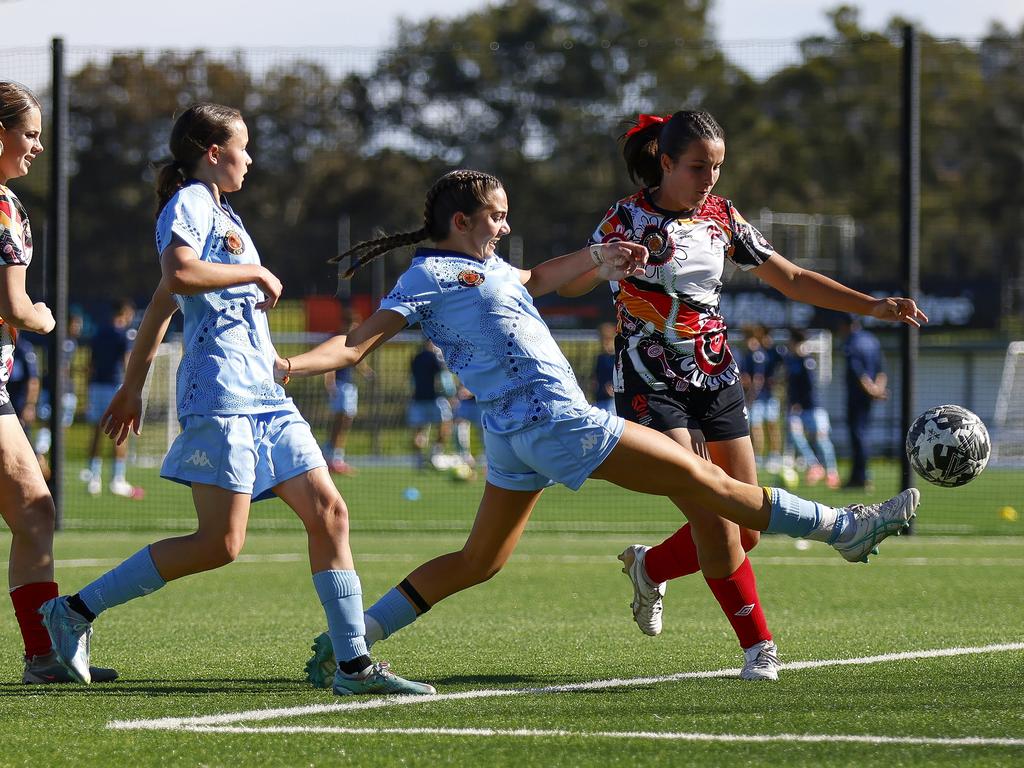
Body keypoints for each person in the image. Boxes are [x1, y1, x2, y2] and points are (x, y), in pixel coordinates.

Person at [278, 169, 922, 688]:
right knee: (706, 483)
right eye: (497, 216)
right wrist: (290, 365)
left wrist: (601, 256)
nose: (505, 225)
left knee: (479, 560)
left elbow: (541, 277)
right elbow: (356, 345)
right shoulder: (429, 274)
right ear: (461, 221)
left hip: (513, 435)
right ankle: (844, 528)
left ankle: (353, 640)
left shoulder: (497, 270)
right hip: (553, 421)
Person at [39, 103, 433, 696]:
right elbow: (177, 274)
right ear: (213, 152)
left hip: (266, 393)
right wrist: (254, 272)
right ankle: (73, 611)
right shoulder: (193, 199)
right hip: (220, 391)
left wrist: (130, 385)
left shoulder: (222, 213)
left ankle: (353, 665)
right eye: (242, 148)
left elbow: (158, 306)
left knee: (330, 513)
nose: (250, 159)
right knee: (219, 545)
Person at [559, 110, 928, 679]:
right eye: (697, 166)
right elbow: (575, 280)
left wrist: (873, 305)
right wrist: (601, 262)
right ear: (664, 161)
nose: (710, 178)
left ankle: (649, 565)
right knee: (714, 515)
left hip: (717, 377)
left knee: (746, 529)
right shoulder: (625, 218)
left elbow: (793, 278)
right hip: (650, 384)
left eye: (717, 167)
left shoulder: (721, 216)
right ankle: (759, 648)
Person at [0, 81, 117, 684]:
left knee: (33, 512)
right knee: (35, 513)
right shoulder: (3, 206)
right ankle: (43, 655)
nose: (38, 147)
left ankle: (43, 655)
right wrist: (41, 316)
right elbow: (17, 308)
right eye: (31, 134)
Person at [81, 299, 141, 497]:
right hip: (115, 387)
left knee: (96, 433)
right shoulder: (124, 335)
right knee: (120, 432)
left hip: (96, 386)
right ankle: (117, 479)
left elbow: (90, 363)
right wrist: (131, 389)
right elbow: (127, 363)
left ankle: (94, 478)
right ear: (125, 312)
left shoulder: (99, 332)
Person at [783, 328, 840, 488]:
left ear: (795, 342)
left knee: (822, 440)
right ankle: (814, 465)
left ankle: (832, 473)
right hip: (796, 409)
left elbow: (810, 387)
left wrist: (799, 402)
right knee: (795, 435)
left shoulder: (807, 361)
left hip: (813, 408)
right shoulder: (791, 360)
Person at [838, 315, 888, 489]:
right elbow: (881, 370)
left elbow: (858, 372)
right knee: (864, 434)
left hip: (857, 396)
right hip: (869, 397)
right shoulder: (872, 340)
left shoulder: (852, 342)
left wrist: (871, 390)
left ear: (847, 325)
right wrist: (878, 390)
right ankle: (860, 476)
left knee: (858, 435)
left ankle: (861, 478)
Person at [323, 311, 373, 476]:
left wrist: (366, 373)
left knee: (346, 421)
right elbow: (328, 363)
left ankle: (334, 455)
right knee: (341, 421)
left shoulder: (352, 342)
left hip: (349, 387)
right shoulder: (337, 340)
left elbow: (356, 360)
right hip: (341, 386)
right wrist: (330, 384)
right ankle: (334, 457)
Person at [740, 324, 783, 473]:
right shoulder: (748, 354)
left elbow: (764, 376)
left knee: (772, 426)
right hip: (756, 399)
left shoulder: (768, 352)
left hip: (767, 396)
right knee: (756, 428)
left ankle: (775, 456)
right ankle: (758, 457)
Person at [408, 337, 454, 469]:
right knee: (445, 425)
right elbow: (443, 378)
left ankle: (419, 461)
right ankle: (435, 455)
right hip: (436, 399)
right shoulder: (436, 358)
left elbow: (412, 379)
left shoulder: (415, 358)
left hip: (418, 399)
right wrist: (450, 394)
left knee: (419, 432)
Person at [592, 321, 616, 414]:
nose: (605, 342)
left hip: (615, 403)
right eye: (603, 339)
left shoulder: (621, 359)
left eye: (609, 339)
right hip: (601, 402)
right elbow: (597, 379)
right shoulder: (601, 359)